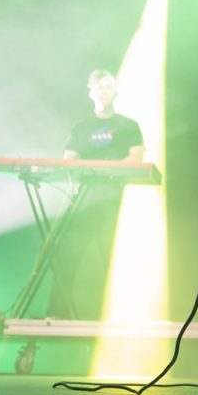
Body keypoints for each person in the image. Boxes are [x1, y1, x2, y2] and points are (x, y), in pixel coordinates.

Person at [46, 70, 145, 320]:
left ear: (116, 92)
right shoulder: (82, 127)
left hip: (114, 205)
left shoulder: (128, 125)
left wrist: (105, 170)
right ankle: (57, 313)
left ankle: (125, 316)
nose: (104, 91)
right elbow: (68, 160)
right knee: (65, 255)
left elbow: (136, 158)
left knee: (116, 260)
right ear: (91, 92)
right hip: (83, 203)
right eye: (99, 87)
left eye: (109, 87)